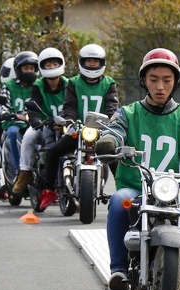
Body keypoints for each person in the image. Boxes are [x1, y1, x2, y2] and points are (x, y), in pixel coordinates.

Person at [94, 48, 180, 290]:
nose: (160, 86)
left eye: (166, 80)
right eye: (153, 80)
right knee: (119, 201)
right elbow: (113, 132)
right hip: (135, 187)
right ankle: (118, 270)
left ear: (176, 82)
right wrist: (109, 142)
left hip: (177, 190)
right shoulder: (127, 113)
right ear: (144, 81)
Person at [38, 43, 119, 210]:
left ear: (101, 63)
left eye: (94, 61)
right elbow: (69, 105)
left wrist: (111, 119)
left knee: (114, 156)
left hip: (101, 130)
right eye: (88, 61)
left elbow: (112, 105)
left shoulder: (109, 83)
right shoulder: (74, 82)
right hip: (79, 128)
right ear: (82, 62)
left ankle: (124, 189)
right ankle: (49, 190)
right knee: (53, 152)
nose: (91, 64)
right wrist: (69, 120)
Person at [12, 48, 68, 195]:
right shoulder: (38, 85)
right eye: (48, 65)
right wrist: (35, 121)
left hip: (67, 125)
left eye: (55, 64)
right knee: (29, 137)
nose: (51, 67)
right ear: (42, 67)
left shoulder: (70, 84)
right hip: (45, 125)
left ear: (61, 65)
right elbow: (33, 106)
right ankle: (25, 172)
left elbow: (73, 105)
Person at [0, 51, 39, 175]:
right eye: (25, 68)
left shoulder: (39, 85)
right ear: (18, 70)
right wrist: (5, 112)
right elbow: (2, 104)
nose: (29, 71)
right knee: (12, 132)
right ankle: (18, 170)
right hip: (14, 122)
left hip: (33, 123)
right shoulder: (8, 85)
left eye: (31, 68)